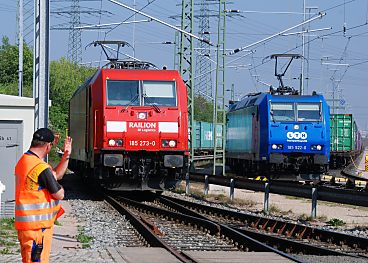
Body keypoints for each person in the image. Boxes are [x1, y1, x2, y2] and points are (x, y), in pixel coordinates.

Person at [14, 128, 72, 263]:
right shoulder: (40, 167)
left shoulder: (24, 161)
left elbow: (56, 175)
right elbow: (59, 194)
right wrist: (60, 187)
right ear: (48, 146)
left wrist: (66, 156)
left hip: (28, 227)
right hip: (37, 229)